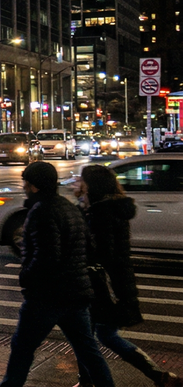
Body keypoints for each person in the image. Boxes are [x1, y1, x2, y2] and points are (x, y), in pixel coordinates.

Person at [0, 161, 113, 387]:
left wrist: (26, 277)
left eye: (26, 183)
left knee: (22, 347)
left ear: (33, 185)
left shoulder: (42, 211)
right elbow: (87, 248)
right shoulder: (69, 207)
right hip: (77, 292)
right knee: (87, 350)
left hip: (48, 295)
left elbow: (47, 257)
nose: (24, 187)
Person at [76, 164, 181, 387]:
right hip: (115, 284)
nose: (77, 183)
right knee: (101, 335)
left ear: (91, 185)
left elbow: (103, 253)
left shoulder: (101, 213)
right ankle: (160, 377)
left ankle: (88, 382)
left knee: (86, 336)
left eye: (81, 180)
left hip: (105, 287)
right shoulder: (109, 208)